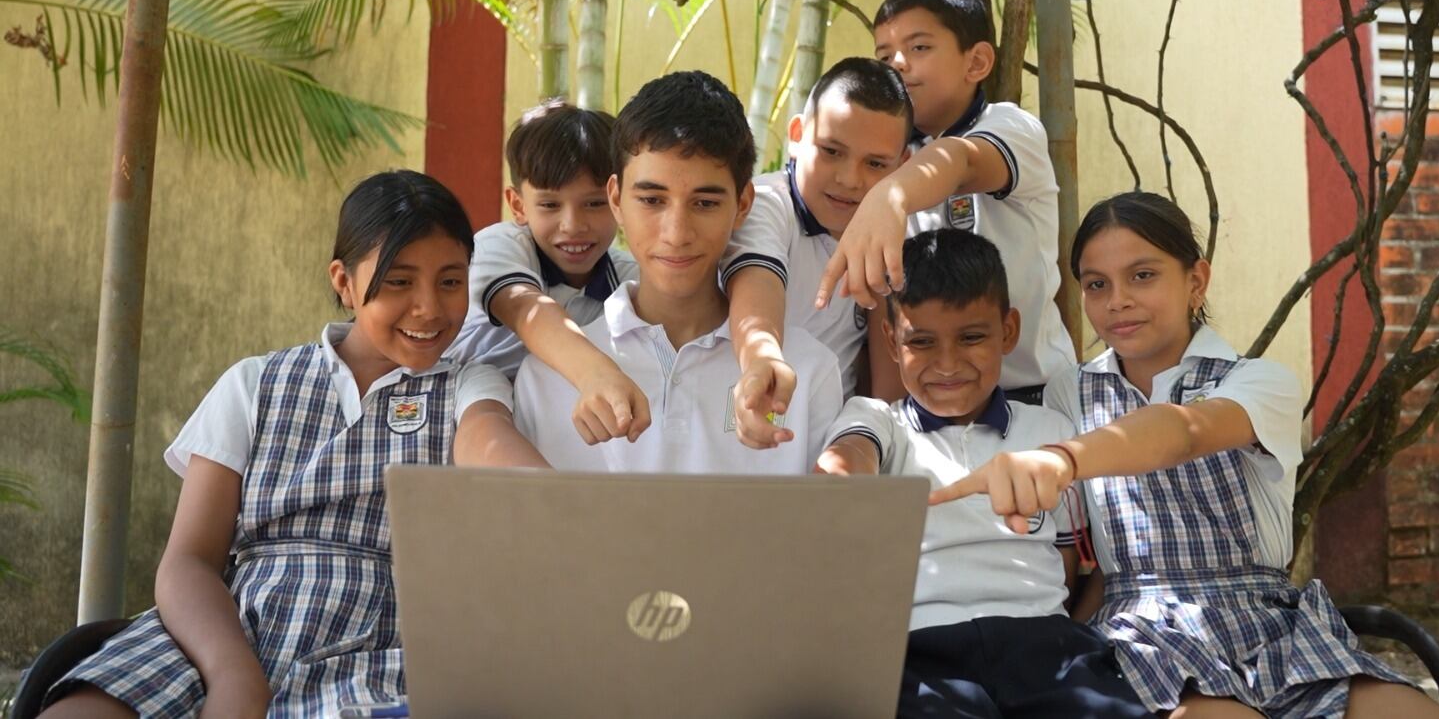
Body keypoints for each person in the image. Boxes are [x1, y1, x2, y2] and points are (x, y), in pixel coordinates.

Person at [42, 170, 540, 719]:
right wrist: (233, 675)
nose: (429, 307)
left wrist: (545, 496)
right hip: (225, 633)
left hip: (380, 650)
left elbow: (489, 441)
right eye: (399, 282)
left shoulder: (470, 385)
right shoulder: (255, 383)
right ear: (344, 282)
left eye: (450, 282)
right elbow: (187, 562)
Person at [930, 192, 1439, 719]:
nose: (1118, 301)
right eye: (1096, 284)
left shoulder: (1257, 382)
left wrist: (1064, 457)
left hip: (1274, 624)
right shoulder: (1070, 391)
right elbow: (1106, 553)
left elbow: (1185, 432)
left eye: (1143, 275)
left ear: (1196, 281)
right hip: (1145, 637)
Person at [816, 229, 1149, 719]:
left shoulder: (1051, 433)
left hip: (1043, 643)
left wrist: (1067, 631)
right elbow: (850, 453)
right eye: (922, 342)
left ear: (1008, 331)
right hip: (919, 650)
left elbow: (1069, 559)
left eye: (971, 337)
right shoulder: (880, 421)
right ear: (891, 340)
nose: (947, 364)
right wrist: (852, 478)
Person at [512, 71, 843, 474]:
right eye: (652, 199)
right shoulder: (545, 376)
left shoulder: (808, 371)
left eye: (704, 203)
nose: (676, 234)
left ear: (742, 205)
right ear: (616, 199)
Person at [817, 0, 1076, 406]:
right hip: (931, 401)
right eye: (884, 56)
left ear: (975, 62)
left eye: (919, 48)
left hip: (1032, 396)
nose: (898, 63)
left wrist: (891, 195)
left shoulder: (1011, 129)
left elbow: (961, 161)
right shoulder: (890, 155)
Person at [724, 56, 913, 447]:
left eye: (875, 163)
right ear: (797, 134)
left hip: (834, 451)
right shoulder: (765, 204)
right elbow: (757, 282)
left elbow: (888, 387)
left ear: (903, 165)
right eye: (831, 151)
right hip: (740, 426)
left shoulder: (892, 232)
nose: (849, 178)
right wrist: (764, 359)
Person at [444, 99, 651, 444]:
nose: (573, 225)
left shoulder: (632, 280)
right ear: (518, 205)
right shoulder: (499, 246)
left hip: (552, 442)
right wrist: (595, 375)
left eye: (595, 203)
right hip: (458, 424)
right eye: (550, 205)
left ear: (618, 200)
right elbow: (528, 311)